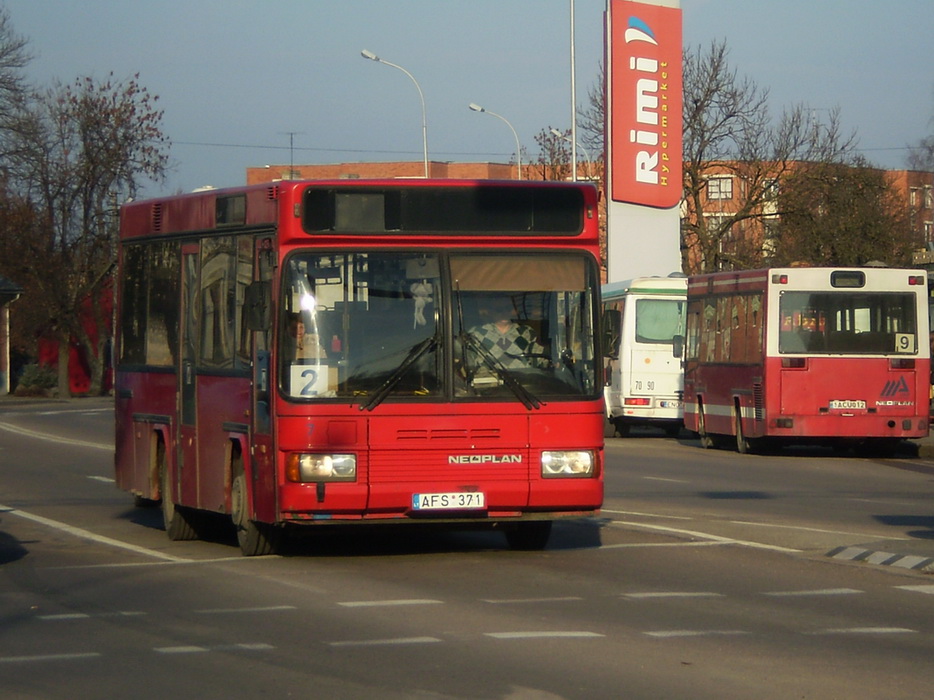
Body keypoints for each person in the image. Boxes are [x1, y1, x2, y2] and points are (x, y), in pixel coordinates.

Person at [467, 295, 546, 371]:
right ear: (490, 312)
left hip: (523, 381)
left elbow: (540, 358)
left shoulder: (526, 332)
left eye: (508, 309)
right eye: (499, 310)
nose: (504, 313)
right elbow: (468, 362)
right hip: (490, 381)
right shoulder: (477, 333)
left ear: (514, 311)